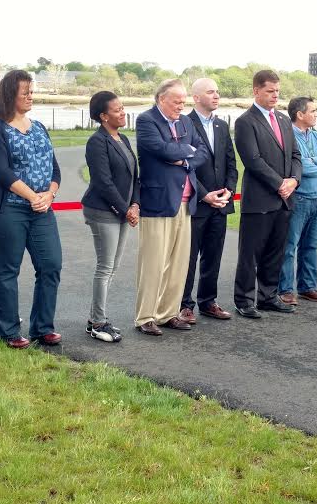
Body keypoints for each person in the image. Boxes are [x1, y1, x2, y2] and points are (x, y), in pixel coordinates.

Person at [0, 70, 62, 348]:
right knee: (7, 269)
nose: (30, 96)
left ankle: (42, 327)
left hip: (41, 209)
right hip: (6, 209)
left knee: (50, 264)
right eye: (24, 92)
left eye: (31, 91)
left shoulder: (39, 128)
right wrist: (32, 196)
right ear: (9, 95)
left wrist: (49, 194)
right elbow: (0, 171)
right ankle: (7, 331)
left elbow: (54, 169)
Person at [133, 79, 209, 336]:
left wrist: (184, 159)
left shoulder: (186, 121)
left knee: (178, 264)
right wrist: (186, 150)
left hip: (186, 203)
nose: (181, 106)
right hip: (158, 202)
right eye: (176, 101)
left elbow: (202, 152)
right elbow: (161, 149)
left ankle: (168, 313)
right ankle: (145, 316)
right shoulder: (146, 120)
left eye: (183, 101)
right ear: (161, 99)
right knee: (153, 263)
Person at [233, 70, 303, 318]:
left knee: (275, 252)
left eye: (277, 91)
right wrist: (279, 183)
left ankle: (268, 296)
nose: (275, 95)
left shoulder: (283, 119)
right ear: (256, 91)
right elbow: (252, 160)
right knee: (250, 254)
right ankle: (244, 300)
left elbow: (295, 155)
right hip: (260, 199)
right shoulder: (245, 121)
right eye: (270, 91)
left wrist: (293, 180)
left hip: (284, 200)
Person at [81, 91, 140, 342]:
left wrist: (135, 204)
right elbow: (103, 182)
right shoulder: (97, 142)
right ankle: (98, 323)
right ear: (104, 116)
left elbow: (134, 176)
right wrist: (125, 209)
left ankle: (95, 318)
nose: (123, 112)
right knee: (105, 268)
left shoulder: (122, 138)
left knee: (112, 267)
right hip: (103, 211)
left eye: (123, 107)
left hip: (123, 210)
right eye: (117, 110)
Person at [179, 78, 237, 323]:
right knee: (189, 258)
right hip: (196, 203)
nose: (216, 96)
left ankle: (208, 302)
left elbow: (231, 162)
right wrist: (205, 195)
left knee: (213, 256)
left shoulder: (222, 126)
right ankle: (184, 304)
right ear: (196, 97)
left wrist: (229, 191)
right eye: (210, 92)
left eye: (218, 92)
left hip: (220, 204)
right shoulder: (184, 124)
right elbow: (185, 166)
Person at [277, 96, 317, 305]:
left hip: (316, 200)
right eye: (313, 111)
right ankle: (285, 289)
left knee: (311, 245)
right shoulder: (288, 137)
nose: (316, 115)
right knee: (289, 246)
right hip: (298, 199)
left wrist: (314, 161)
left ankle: (307, 287)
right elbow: (299, 167)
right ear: (300, 114)